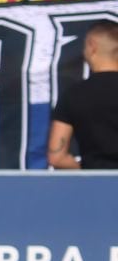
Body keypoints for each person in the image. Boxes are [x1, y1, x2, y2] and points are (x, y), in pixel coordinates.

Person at [48, 19, 118, 169]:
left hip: (96, 187)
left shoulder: (73, 95)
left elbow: (57, 157)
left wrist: (87, 172)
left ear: (92, 46)